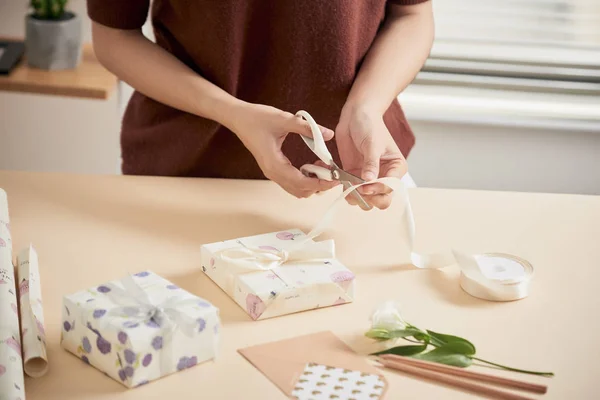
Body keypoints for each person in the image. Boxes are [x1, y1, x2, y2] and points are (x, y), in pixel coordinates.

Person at [88, 0, 433, 210]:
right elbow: (114, 36)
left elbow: (412, 15)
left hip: (357, 183)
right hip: (187, 177)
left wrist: (366, 107)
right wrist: (231, 111)